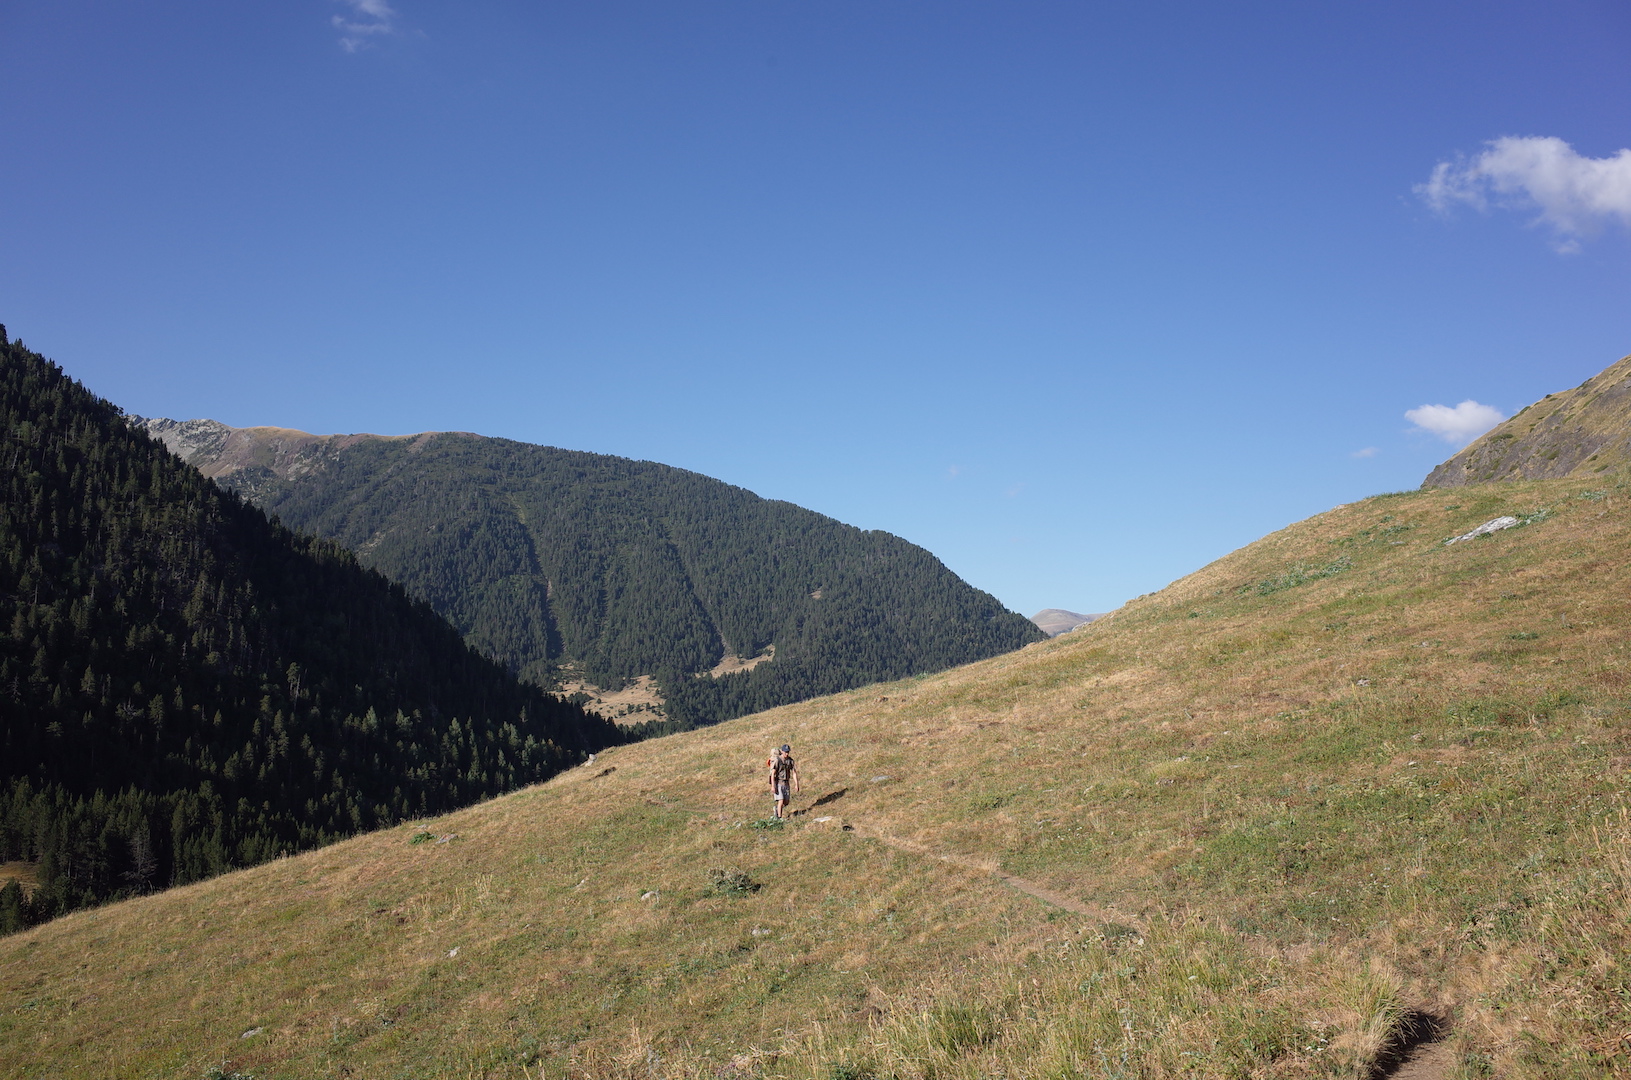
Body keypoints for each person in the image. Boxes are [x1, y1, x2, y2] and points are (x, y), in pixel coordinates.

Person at [767, 743, 800, 818]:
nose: (786, 754)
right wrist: (773, 786)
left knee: (786, 802)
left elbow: (794, 773)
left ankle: (777, 809)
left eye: (788, 752)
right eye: (785, 752)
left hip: (786, 783)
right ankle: (779, 817)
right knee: (781, 800)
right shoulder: (777, 760)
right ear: (782, 751)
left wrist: (796, 784)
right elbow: (773, 774)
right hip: (778, 783)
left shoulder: (790, 761)